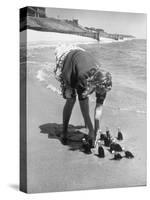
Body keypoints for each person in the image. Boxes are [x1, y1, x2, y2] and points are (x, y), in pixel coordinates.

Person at [54, 44, 112, 146]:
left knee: (85, 95)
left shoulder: (104, 82)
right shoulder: (83, 78)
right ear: (95, 85)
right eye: (100, 91)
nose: (102, 93)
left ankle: (89, 128)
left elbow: (99, 107)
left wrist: (97, 129)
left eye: (104, 92)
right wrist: (91, 128)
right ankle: (64, 131)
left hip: (82, 59)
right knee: (71, 99)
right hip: (68, 61)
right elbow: (83, 107)